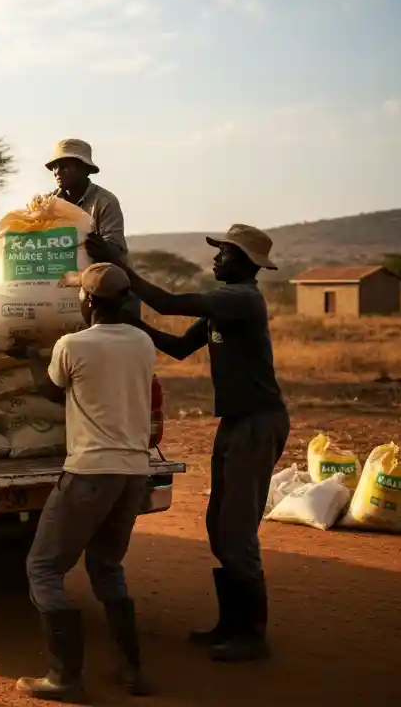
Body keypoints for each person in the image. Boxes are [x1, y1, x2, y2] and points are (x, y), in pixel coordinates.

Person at [87, 224, 288, 664]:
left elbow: (170, 304)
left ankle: (252, 634)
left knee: (236, 530)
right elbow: (179, 347)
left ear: (245, 262)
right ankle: (231, 624)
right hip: (236, 422)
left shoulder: (241, 299)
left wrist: (120, 266)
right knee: (219, 526)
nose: (215, 260)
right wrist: (130, 322)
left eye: (224, 254)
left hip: (257, 423)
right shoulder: (224, 306)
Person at [11, 264, 157, 701]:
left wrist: (31, 356)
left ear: (89, 302)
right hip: (134, 473)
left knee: (43, 568)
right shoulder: (144, 342)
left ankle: (64, 677)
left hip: (90, 471)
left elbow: (52, 392)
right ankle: (132, 670)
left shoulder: (72, 345)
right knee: (107, 568)